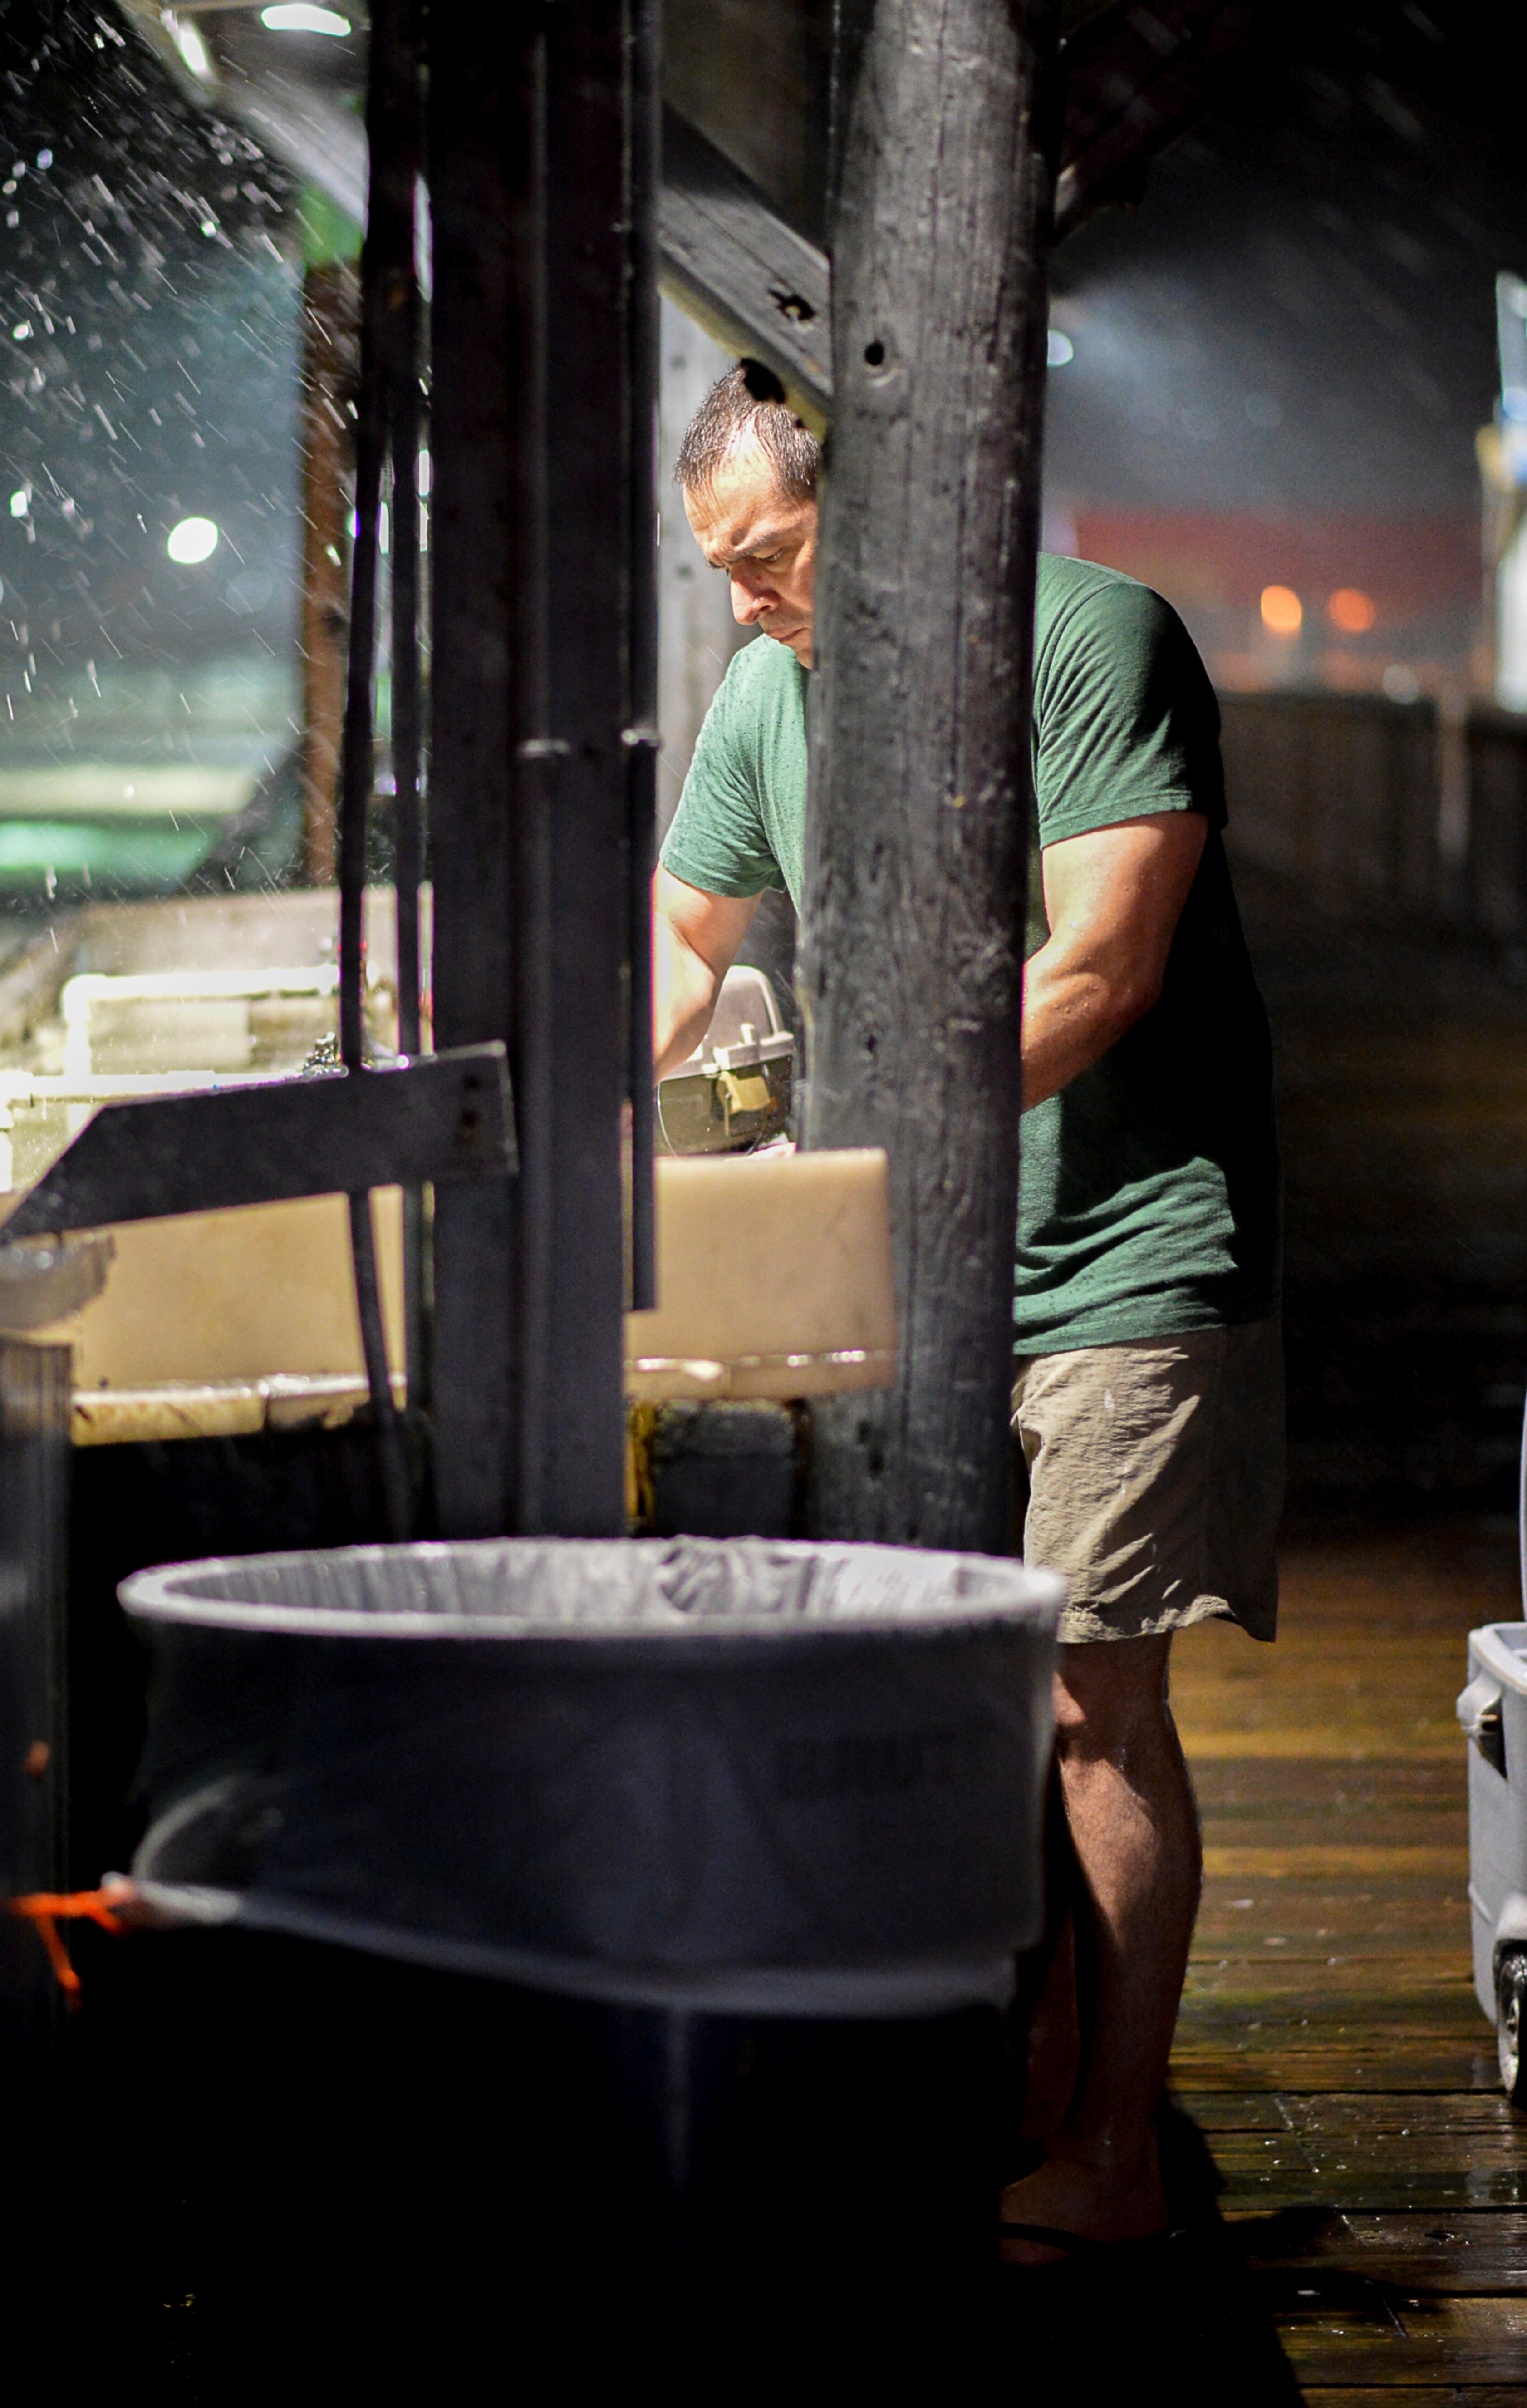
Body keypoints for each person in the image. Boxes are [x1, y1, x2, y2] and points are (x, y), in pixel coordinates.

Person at [653, 365, 1284, 2263]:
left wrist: (874, 1126)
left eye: (772, 561)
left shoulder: (1095, 640)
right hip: (921, 1258)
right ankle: (1026, 2071)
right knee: (959, 1693)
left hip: (1124, 1247)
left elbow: (1106, 966)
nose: (752, 607)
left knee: (1098, 1701)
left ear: (893, 504)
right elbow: (681, 951)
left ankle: (1115, 2149)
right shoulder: (772, 688)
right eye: (727, 577)